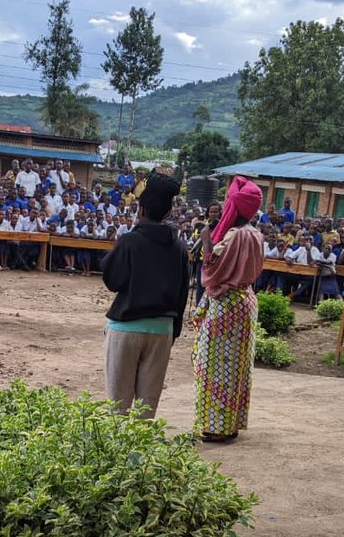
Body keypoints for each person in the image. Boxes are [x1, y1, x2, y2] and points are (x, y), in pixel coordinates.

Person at [101, 173, 189, 419]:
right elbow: (183, 293)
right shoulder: (179, 247)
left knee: (118, 408)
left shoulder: (130, 241)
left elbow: (113, 281)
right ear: (168, 212)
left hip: (126, 327)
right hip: (162, 330)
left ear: (141, 209)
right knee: (146, 410)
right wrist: (173, 331)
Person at [193, 176, 265, 443]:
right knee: (237, 365)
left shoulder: (236, 235)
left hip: (227, 304)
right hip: (246, 301)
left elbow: (213, 267)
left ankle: (216, 427)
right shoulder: (256, 233)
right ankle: (231, 423)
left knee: (215, 365)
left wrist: (206, 241)